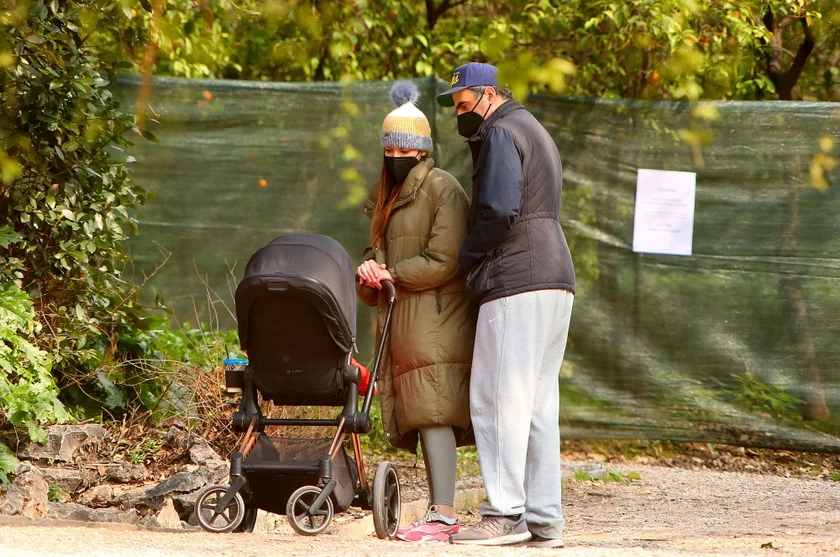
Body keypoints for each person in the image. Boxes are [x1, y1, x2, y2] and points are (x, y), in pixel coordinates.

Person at [437, 62, 576, 548]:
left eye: (464, 104)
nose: (460, 115)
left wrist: (467, 258)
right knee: (537, 405)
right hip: (555, 278)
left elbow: (498, 209)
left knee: (496, 398)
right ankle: (544, 518)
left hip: (517, 277)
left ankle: (503, 513)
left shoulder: (500, 132)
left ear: (490, 95)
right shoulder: (532, 128)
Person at [356, 81, 476, 543]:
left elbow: (446, 261)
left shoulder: (443, 188)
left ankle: (444, 515)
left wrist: (390, 273)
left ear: (422, 150)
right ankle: (438, 512)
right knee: (426, 414)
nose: (396, 156)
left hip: (437, 318)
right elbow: (376, 255)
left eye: (405, 149)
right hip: (403, 318)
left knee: (435, 411)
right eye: (389, 148)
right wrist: (369, 273)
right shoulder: (386, 195)